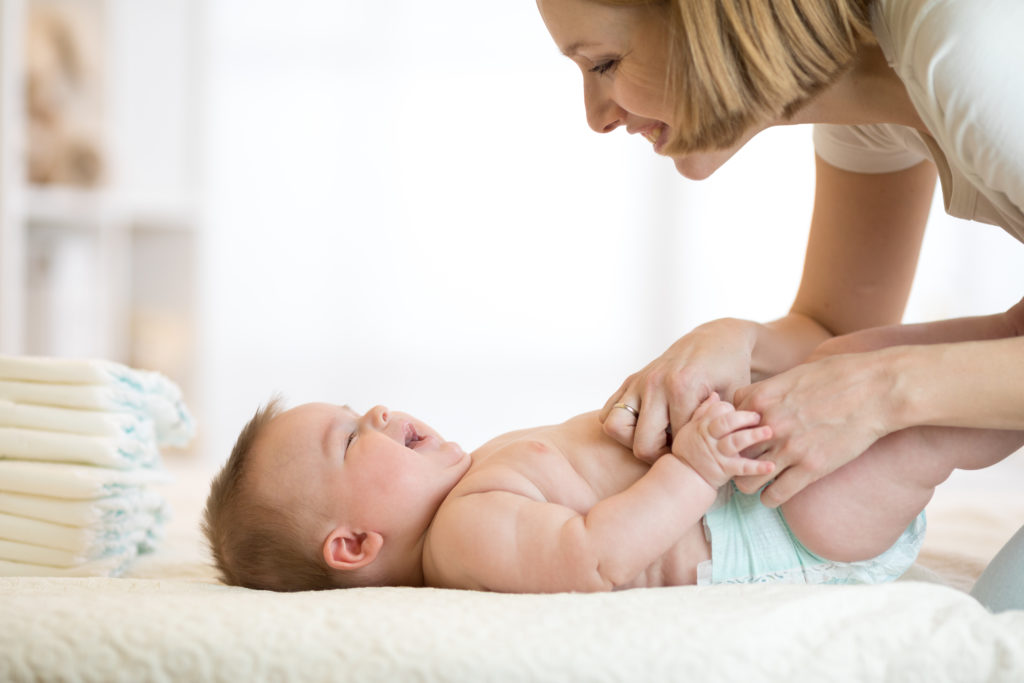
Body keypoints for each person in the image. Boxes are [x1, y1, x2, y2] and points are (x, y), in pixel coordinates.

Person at [535, 0, 1024, 608]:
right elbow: (838, 327)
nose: (595, 117)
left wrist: (884, 391)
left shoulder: (974, 55)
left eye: (603, 62)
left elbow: (862, 380)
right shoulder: (868, 106)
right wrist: (739, 340)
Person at [202, 315, 1023, 593]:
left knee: (855, 355)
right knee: (920, 424)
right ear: (353, 544)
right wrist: (694, 466)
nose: (377, 410)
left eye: (357, 408)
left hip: (759, 478)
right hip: (780, 525)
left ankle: (1007, 334)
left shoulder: (474, 486)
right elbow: (594, 558)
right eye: (350, 435)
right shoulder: (463, 538)